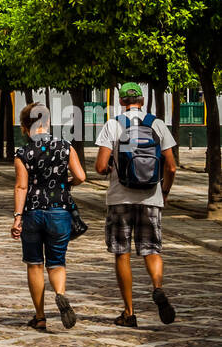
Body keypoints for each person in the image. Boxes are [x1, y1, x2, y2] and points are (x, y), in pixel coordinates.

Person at [95, 82, 177, 328]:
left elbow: (100, 167)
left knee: (122, 253)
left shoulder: (113, 124)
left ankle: (129, 313)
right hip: (151, 197)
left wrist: (111, 168)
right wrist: (164, 190)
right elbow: (171, 166)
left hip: (120, 198)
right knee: (152, 249)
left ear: (121, 101)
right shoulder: (157, 124)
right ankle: (157, 287)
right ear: (142, 101)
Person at [11, 102, 86, 330]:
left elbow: (21, 187)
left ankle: (40, 316)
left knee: (34, 264)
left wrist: (17, 218)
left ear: (25, 126)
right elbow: (81, 176)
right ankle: (60, 294)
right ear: (48, 122)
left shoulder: (23, 153)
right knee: (56, 263)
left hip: (33, 213)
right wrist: (66, 183)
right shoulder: (65, 147)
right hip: (60, 212)